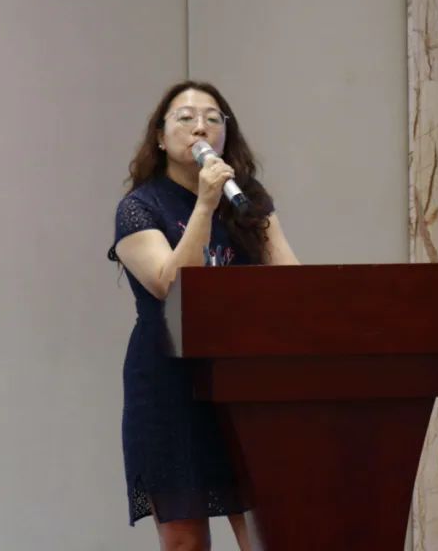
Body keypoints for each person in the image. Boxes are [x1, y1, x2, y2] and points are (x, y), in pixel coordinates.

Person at [108, 80, 299, 551]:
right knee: (185, 542)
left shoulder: (247, 203)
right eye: (186, 118)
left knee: (267, 536)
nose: (201, 128)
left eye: (213, 119)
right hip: (170, 386)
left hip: (244, 383)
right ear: (160, 136)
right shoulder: (139, 208)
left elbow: (292, 284)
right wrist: (206, 203)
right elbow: (174, 286)